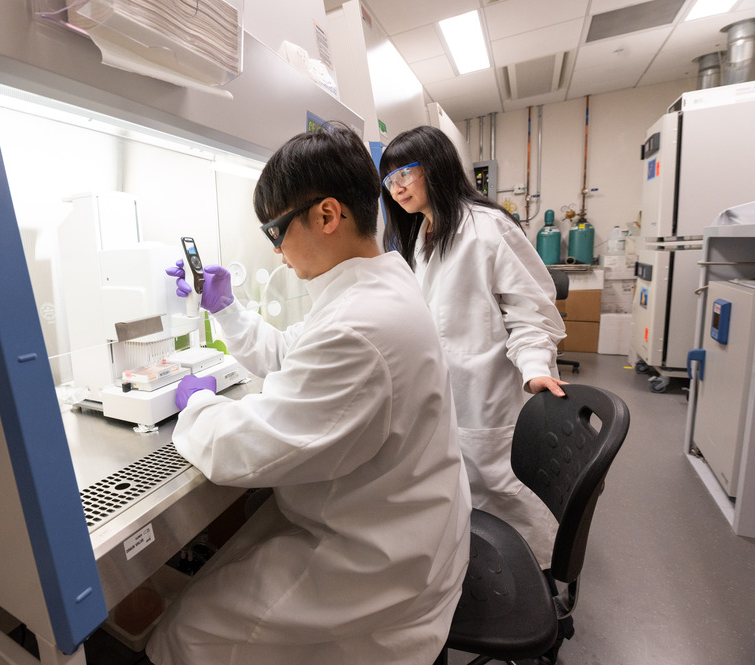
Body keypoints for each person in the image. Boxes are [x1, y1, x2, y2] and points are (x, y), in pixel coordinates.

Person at [145, 124, 471, 665]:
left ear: (326, 215)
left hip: (377, 566)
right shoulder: (374, 286)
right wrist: (224, 306)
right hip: (393, 521)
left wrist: (194, 404)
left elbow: (240, 450)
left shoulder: (360, 326)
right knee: (225, 568)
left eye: (276, 234)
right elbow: (290, 354)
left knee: (185, 633)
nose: (277, 254)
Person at [378, 125, 566, 569]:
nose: (397, 186)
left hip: (490, 395)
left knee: (506, 493)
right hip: (448, 396)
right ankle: (485, 573)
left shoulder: (487, 229)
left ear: (437, 166)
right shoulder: (421, 236)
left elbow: (531, 312)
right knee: (468, 499)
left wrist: (536, 366)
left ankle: (540, 581)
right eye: (389, 179)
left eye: (405, 172)